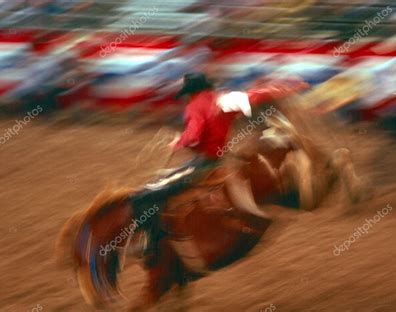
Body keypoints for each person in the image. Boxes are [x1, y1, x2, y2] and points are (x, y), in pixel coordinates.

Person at [130, 72, 307, 265]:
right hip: (222, 160)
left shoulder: (194, 107)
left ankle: (151, 244)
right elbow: (255, 95)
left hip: (203, 162)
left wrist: (178, 142)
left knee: (145, 194)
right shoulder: (224, 99)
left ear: (191, 92)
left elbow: (194, 135)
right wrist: (287, 89)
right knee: (162, 184)